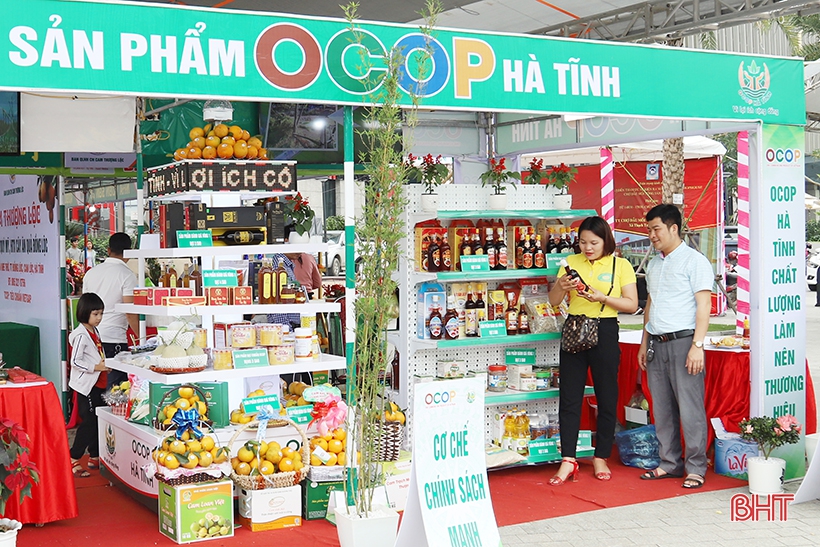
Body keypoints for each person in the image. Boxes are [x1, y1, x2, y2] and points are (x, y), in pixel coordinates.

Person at [547, 216, 638, 485]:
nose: (587, 248)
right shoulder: (570, 263)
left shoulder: (620, 265)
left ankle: (601, 456)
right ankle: (568, 459)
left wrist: (602, 297)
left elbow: (632, 304)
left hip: (605, 329)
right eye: (583, 242)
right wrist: (560, 287)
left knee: (607, 395)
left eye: (594, 243)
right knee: (570, 396)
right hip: (575, 329)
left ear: (605, 240)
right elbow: (553, 302)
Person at [637, 204, 713, 490]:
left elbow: (704, 305)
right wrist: (644, 341)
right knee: (662, 408)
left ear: (673, 228)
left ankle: (695, 467)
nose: (652, 235)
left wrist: (697, 345)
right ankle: (669, 463)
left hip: (684, 343)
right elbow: (650, 305)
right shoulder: (654, 264)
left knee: (690, 408)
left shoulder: (695, 261)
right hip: (657, 343)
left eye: (656, 229)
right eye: (649, 230)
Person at [82, 232, 138, 387]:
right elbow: (130, 311)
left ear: (108, 250)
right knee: (114, 391)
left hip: (91, 338)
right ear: (129, 252)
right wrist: (142, 338)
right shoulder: (127, 275)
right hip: (113, 340)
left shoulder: (91, 273)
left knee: (93, 387)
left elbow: (84, 307)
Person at [68, 292, 109, 477]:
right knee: (89, 422)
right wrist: (96, 367)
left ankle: (94, 455)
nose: (99, 318)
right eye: (95, 314)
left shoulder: (94, 331)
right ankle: (73, 457)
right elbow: (75, 361)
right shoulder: (81, 335)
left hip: (98, 382)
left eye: (101, 313)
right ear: (85, 312)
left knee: (98, 419)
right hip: (87, 385)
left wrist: (103, 365)